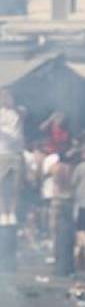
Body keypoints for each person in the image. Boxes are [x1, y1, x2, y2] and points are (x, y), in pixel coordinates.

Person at [0, 89, 24, 226]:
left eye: (8, 95)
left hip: (16, 152)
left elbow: (23, 113)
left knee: (15, 185)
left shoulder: (19, 111)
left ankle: (12, 212)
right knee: (1, 185)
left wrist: (13, 105)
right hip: (2, 152)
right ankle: (3, 212)